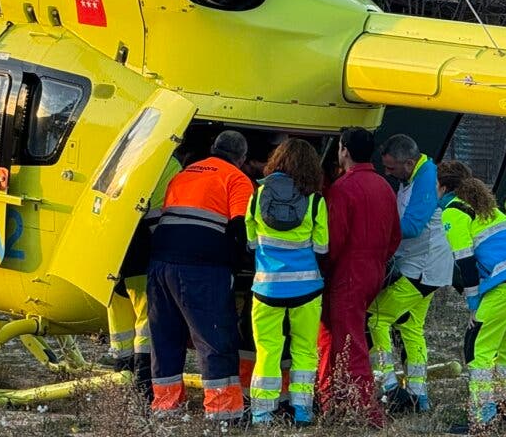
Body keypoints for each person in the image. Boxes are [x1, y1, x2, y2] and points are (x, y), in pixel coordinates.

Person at [147, 130, 255, 422]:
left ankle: (165, 407)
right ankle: (223, 412)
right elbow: (240, 229)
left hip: (160, 264)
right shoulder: (236, 179)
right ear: (242, 159)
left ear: (213, 147)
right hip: (201, 268)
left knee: (165, 337)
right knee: (214, 336)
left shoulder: (182, 175)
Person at [438, 160, 506, 431]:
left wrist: (474, 305)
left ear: (442, 187)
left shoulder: (453, 211)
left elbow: (465, 262)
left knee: (478, 348)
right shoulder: (485, 207)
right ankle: (502, 413)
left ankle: (482, 419)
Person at [317, 127, 401, 427]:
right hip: (373, 269)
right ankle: (330, 400)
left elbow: (333, 241)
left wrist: (321, 270)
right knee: (331, 336)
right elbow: (395, 236)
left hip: (347, 273)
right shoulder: (383, 186)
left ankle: (367, 410)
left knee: (349, 341)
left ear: (344, 151)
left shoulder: (342, 189)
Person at [245, 138, 328, 426]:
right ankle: (302, 410)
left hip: (267, 287)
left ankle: (262, 413)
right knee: (304, 349)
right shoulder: (316, 201)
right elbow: (322, 248)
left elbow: (251, 242)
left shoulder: (257, 195)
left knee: (268, 349)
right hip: (307, 288)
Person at [368, 134, 452, 413]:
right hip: (426, 267)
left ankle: (390, 387)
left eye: (391, 168)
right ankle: (419, 395)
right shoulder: (413, 176)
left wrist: (376, 231)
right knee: (410, 328)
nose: (387, 173)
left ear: (409, 161)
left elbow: (413, 226)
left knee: (376, 317)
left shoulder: (426, 177)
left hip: (422, 268)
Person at [105, 153, 183, 400]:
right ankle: (142, 384)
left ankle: (122, 377)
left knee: (119, 318)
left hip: (111, 250)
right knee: (146, 319)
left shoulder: (120, 157)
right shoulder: (170, 165)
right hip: (144, 249)